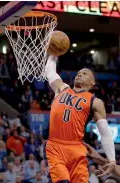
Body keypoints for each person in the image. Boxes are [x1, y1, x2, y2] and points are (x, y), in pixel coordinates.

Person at [44, 55, 116, 183]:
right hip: (55, 146)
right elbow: (50, 71)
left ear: (92, 82)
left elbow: (105, 133)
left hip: (77, 148)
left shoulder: (95, 102)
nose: (80, 75)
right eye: (78, 73)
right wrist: (53, 54)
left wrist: (112, 160)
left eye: (84, 73)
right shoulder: (62, 88)